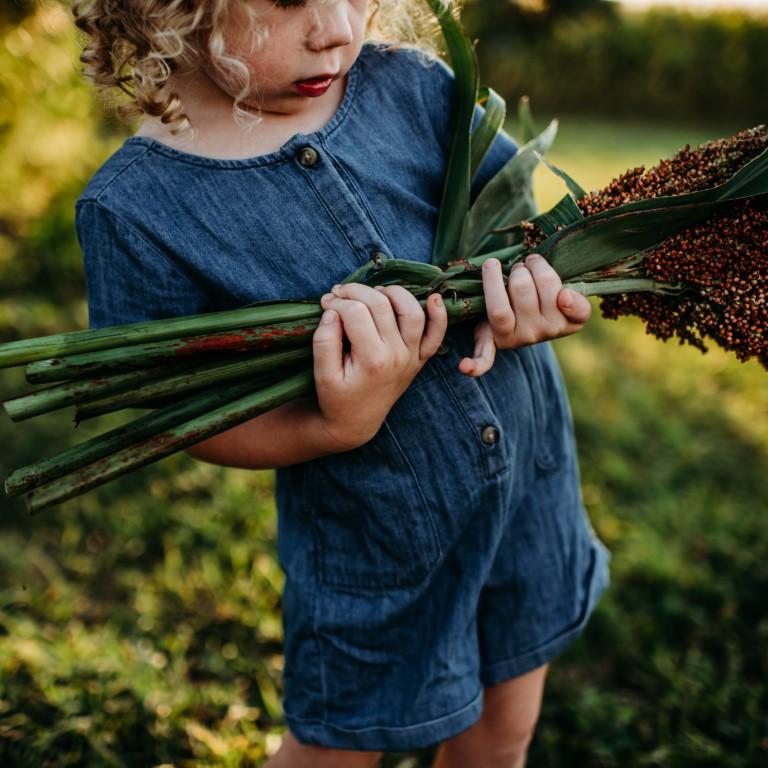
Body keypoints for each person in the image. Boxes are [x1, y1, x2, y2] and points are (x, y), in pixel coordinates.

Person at [71, 1, 610, 765]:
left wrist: (537, 297)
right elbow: (173, 416)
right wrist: (332, 427)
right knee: (339, 750)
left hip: (528, 490)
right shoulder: (138, 210)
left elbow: (542, 233)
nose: (336, 28)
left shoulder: (418, 89)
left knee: (502, 734)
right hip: (378, 541)